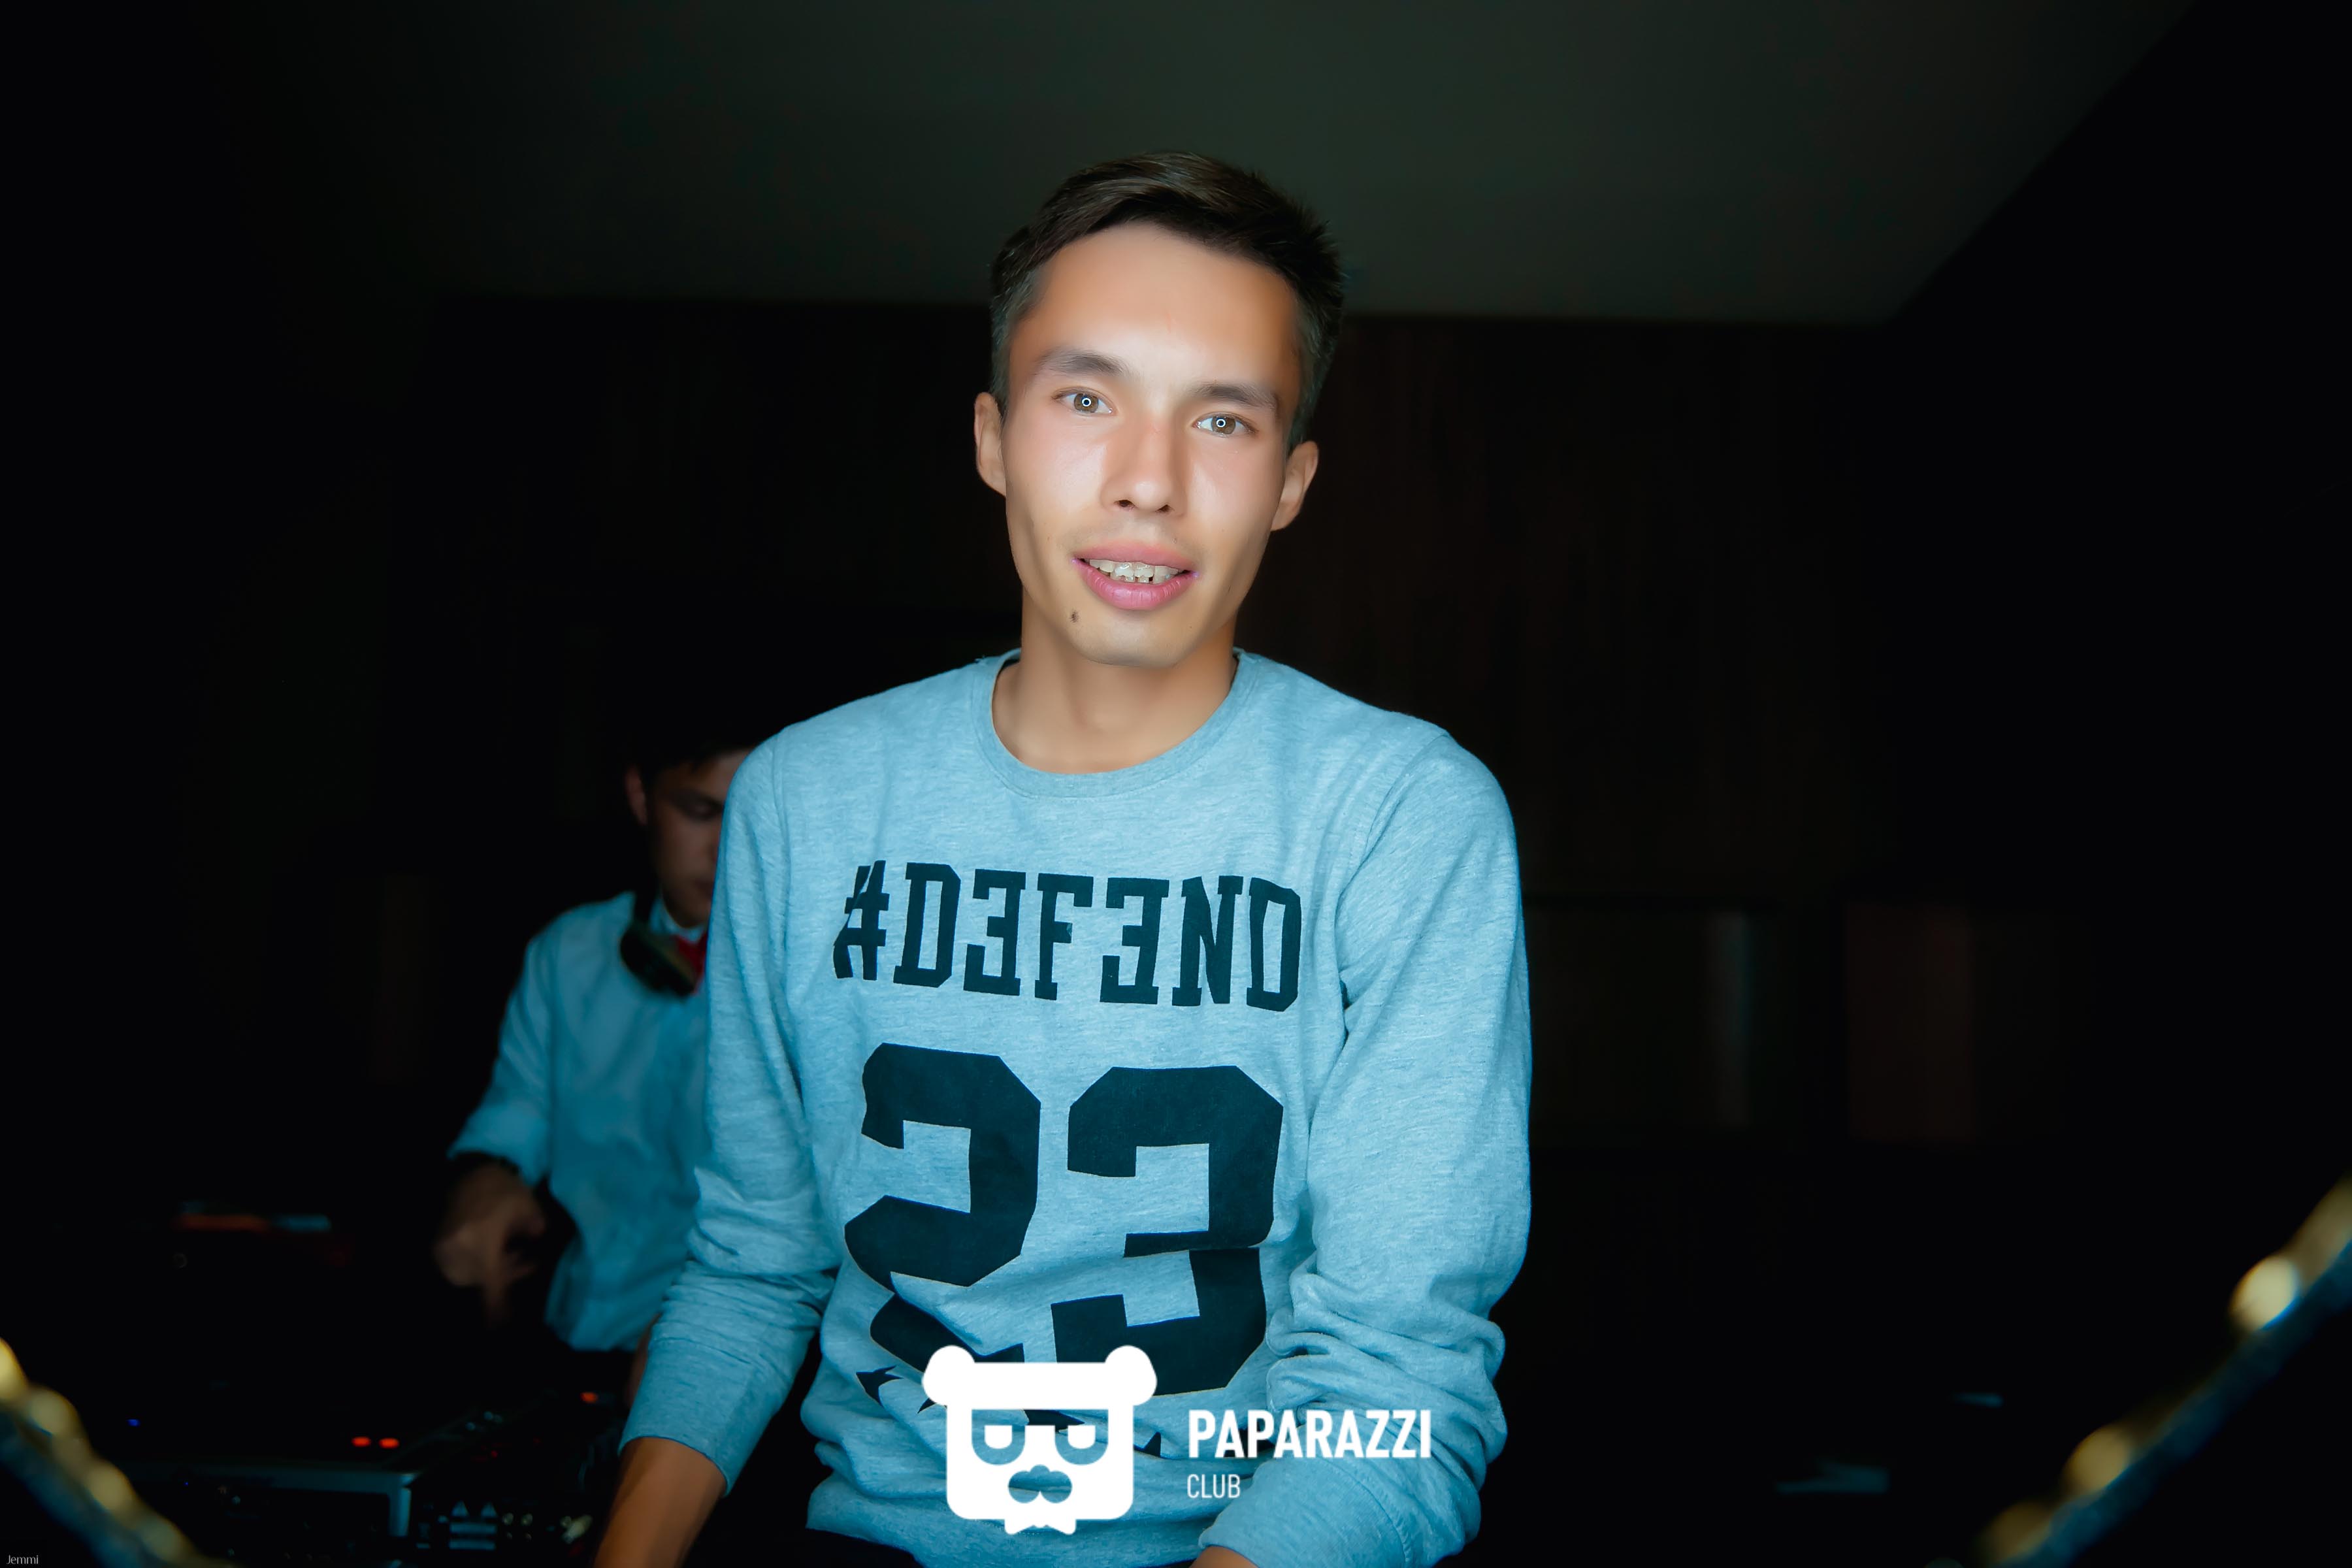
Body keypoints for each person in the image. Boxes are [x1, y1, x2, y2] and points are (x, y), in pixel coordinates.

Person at [601, 153, 1532, 1568]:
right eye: (1086, 399)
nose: (1149, 482)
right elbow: (749, 1264)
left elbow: (1400, 1383)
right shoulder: (805, 799)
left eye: (1222, 419)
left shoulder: (1403, 817)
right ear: (992, 437)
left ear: (1290, 482)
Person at [433, 699, 762, 1374]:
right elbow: (515, 1114)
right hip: (569, 1342)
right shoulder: (568, 953)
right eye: (699, 812)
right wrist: (485, 1180)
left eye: (752, 818)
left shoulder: (825, 978)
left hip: (742, 1363)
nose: (726, 847)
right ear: (640, 795)